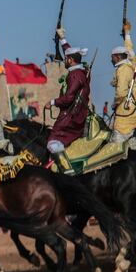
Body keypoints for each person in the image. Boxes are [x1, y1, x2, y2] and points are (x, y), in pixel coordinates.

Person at [47, 27, 90, 169]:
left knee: (53, 142)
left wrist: (52, 102)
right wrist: (62, 38)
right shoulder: (79, 71)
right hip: (73, 115)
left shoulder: (75, 75)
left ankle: (64, 168)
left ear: (71, 60)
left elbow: (69, 98)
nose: (64, 60)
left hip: (71, 117)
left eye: (66, 59)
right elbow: (71, 52)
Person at [109, 20, 136, 142]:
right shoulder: (131, 64)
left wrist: (115, 103)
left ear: (118, 57)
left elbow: (121, 93)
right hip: (131, 110)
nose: (111, 59)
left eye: (112, 57)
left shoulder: (123, 69)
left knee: (116, 145)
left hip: (125, 113)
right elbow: (129, 50)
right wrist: (127, 33)